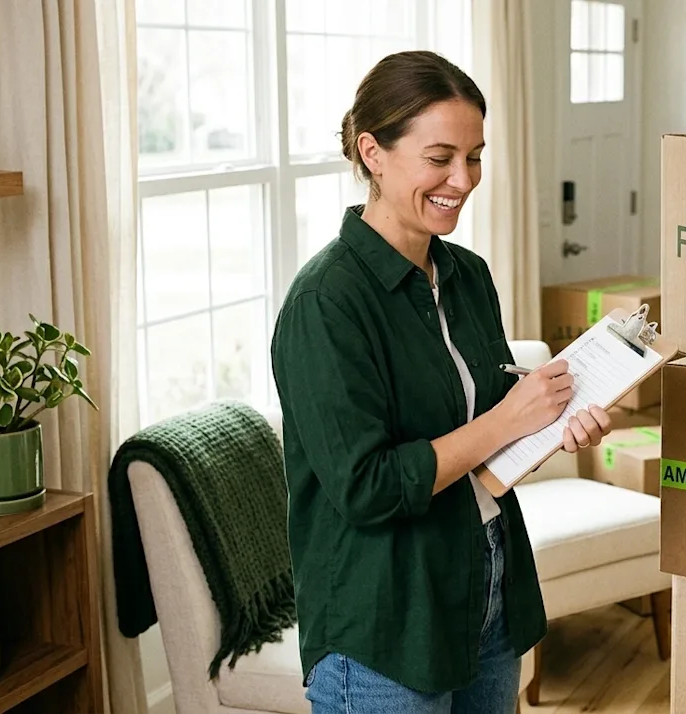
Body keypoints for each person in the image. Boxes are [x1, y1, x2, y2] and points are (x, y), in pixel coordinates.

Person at [269, 50, 613, 713]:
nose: (464, 178)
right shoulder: (327, 301)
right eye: (440, 157)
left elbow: (480, 450)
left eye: (475, 156)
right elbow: (367, 487)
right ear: (373, 152)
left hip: (487, 581)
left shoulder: (467, 275)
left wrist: (553, 424)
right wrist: (511, 418)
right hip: (384, 620)